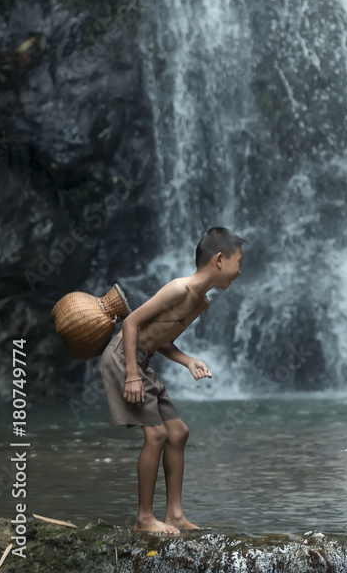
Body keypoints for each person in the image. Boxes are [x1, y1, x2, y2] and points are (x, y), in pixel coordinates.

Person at [100, 226, 244, 534]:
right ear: (219, 260)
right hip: (123, 361)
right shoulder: (179, 289)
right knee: (156, 435)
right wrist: (132, 376)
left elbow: (159, 337)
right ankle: (143, 519)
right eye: (238, 261)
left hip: (142, 361)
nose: (239, 270)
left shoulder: (201, 302)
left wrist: (188, 360)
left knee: (177, 432)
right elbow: (132, 322)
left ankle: (175, 514)